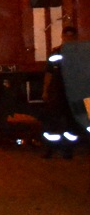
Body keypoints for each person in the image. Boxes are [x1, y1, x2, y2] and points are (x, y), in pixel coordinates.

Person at [41, 25, 80, 159]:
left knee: (71, 123)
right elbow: (49, 73)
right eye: (66, 36)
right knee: (52, 122)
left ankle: (68, 151)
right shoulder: (55, 53)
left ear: (76, 38)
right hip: (57, 92)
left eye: (71, 36)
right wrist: (45, 91)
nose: (68, 39)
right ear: (62, 37)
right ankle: (50, 149)